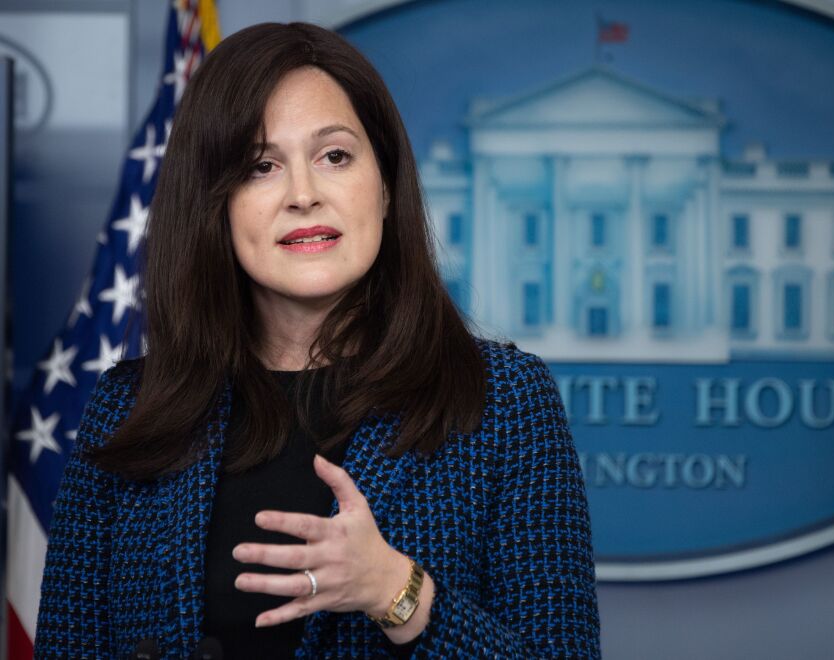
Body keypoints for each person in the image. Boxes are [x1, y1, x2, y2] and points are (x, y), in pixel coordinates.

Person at [34, 22, 601, 659]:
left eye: (335, 156)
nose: (304, 195)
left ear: (385, 186)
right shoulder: (127, 408)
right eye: (261, 166)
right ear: (214, 206)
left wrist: (398, 593)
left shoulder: (504, 403)